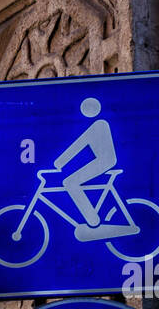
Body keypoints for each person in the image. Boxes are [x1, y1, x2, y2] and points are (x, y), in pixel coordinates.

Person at [54, 98, 135, 241]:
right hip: (101, 161)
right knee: (70, 182)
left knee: (70, 183)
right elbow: (79, 145)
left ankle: (93, 221)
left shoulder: (99, 125)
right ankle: (92, 219)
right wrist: (60, 163)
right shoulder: (97, 125)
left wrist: (59, 163)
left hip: (105, 162)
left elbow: (79, 145)